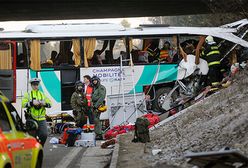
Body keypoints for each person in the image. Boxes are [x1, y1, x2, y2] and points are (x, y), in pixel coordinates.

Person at [22, 78, 52, 146]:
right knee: (32, 137)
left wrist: (45, 104)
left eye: (37, 84)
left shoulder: (42, 94)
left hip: (41, 119)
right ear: (31, 85)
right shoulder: (28, 94)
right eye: (34, 84)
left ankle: (40, 147)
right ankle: (34, 150)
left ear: (38, 85)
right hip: (31, 118)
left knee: (44, 135)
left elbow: (50, 104)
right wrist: (32, 103)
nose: (35, 86)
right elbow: (23, 104)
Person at [91, 76, 106, 140]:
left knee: (96, 119)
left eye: (95, 80)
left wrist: (96, 106)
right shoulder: (94, 88)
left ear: (98, 80)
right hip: (94, 106)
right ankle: (97, 133)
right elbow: (93, 97)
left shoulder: (101, 87)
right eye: (93, 80)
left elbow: (101, 98)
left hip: (98, 106)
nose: (94, 81)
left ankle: (99, 134)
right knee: (95, 119)